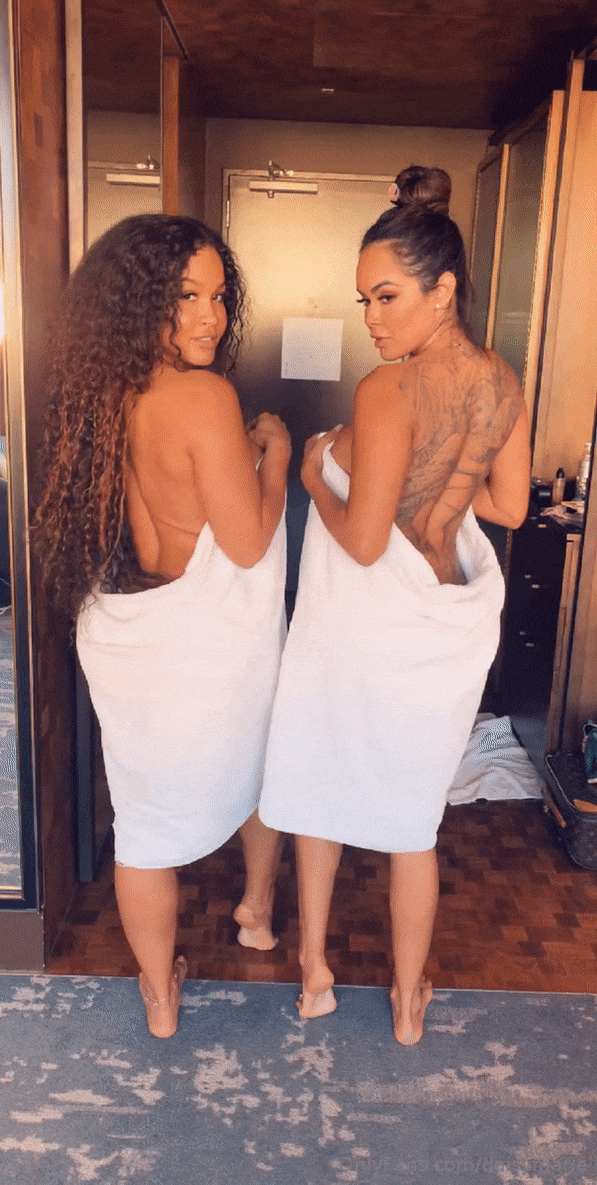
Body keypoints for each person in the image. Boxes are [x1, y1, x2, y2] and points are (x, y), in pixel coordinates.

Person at [258, 166, 530, 1044]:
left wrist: (313, 476)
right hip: (443, 625)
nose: (371, 319)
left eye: (387, 297)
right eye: (364, 300)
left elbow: (365, 542)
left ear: (442, 289)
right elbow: (510, 506)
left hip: (366, 629)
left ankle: (316, 974)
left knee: (320, 784)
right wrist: (438, 471)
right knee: (416, 820)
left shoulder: (386, 391)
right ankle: (410, 1004)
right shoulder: (503, 382)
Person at [33, 215, 290, 1038]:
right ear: (144, 300)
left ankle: (159, 998)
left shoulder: (98, 393)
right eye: (186, 296)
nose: (210, 316)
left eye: (218, 296)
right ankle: (257, 912)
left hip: (129, 633)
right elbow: (247, 546)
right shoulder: (204, 397)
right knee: (260, 758)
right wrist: (276, 459)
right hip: (204, 644)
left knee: (142, 823)